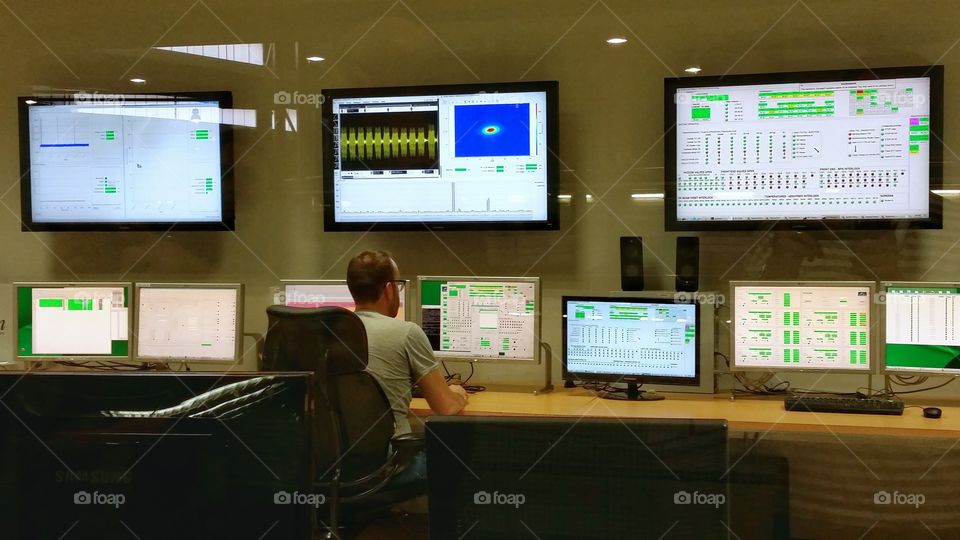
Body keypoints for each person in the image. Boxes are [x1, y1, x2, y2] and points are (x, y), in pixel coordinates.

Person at [346, 249, 468, 437]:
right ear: (389, 289)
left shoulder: (330, 333)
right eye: (398, 285)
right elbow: (447, 407)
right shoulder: (407, 333)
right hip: (391, 451)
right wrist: (457, 393)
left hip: (339, 452)